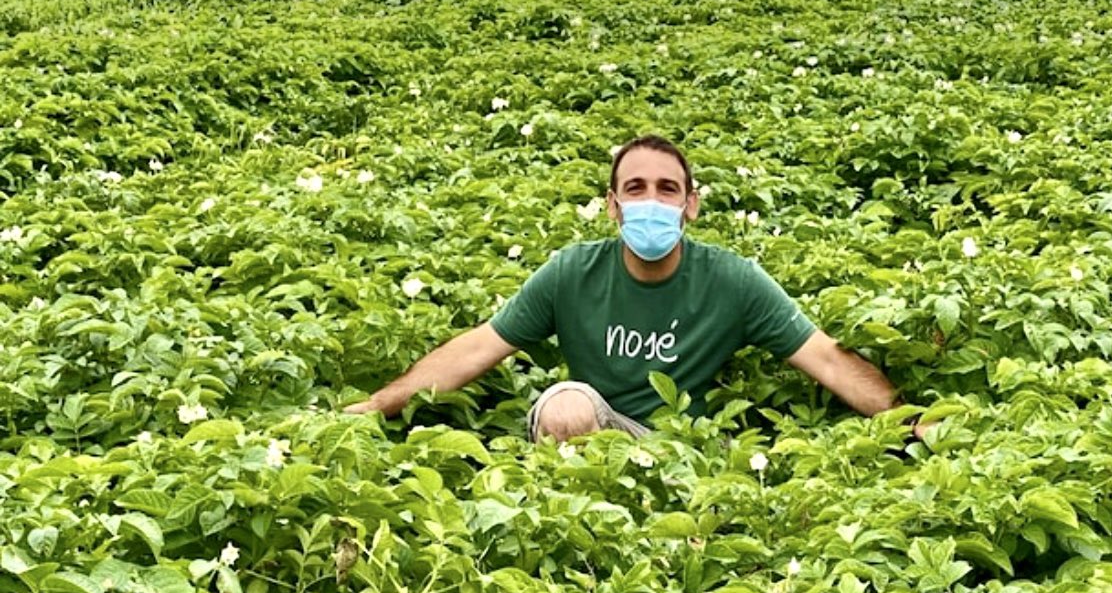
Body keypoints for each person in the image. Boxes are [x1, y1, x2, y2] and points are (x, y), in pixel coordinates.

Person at [345, 135, 927, 442]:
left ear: (690, 205)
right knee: (566, 406)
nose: (652, 201)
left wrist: (913, 419)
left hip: (685, 448)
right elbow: (476, 348)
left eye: (667, 189)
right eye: (636, 188)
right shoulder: (573, 273)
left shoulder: (732, 280)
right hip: (598, 429)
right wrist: (374, 407)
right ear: (613, 205)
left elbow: (826, 359)